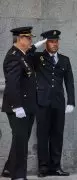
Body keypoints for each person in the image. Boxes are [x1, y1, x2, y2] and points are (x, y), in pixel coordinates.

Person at [1, 26, 46, 180]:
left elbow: (29, 54)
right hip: (18, 107)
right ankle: (18, 175)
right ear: (19, 39)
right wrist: (16, 106)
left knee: (20, 139)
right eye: (28, 38)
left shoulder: (23, 54)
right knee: (20, 141)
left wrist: (34, 47)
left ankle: (8, 169)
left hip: (27, 106)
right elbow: (12, 84)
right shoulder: (13, 57)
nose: (31, 40)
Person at [34, 30, 75, 177]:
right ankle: (43, 167)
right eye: (51, 41)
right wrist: (35, 46)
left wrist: (71, 101)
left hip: (58, 102)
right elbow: (24, 56)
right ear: (46, 43)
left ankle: (56, 166)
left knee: (57, 135)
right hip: (42, 102)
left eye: (56, 41)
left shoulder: (64, 60)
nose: (54, 44)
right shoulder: (38, 58)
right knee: (43, 135)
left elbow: (69, 82)